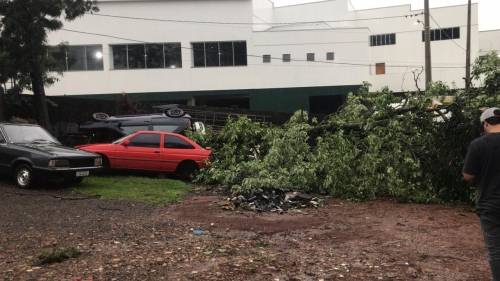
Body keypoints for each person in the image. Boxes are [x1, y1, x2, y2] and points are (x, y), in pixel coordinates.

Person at [463, 107, 500, 281]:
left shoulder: (478, 144)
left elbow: (468, 175)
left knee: (495, 250)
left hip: (490, 205)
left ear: (485, 124)